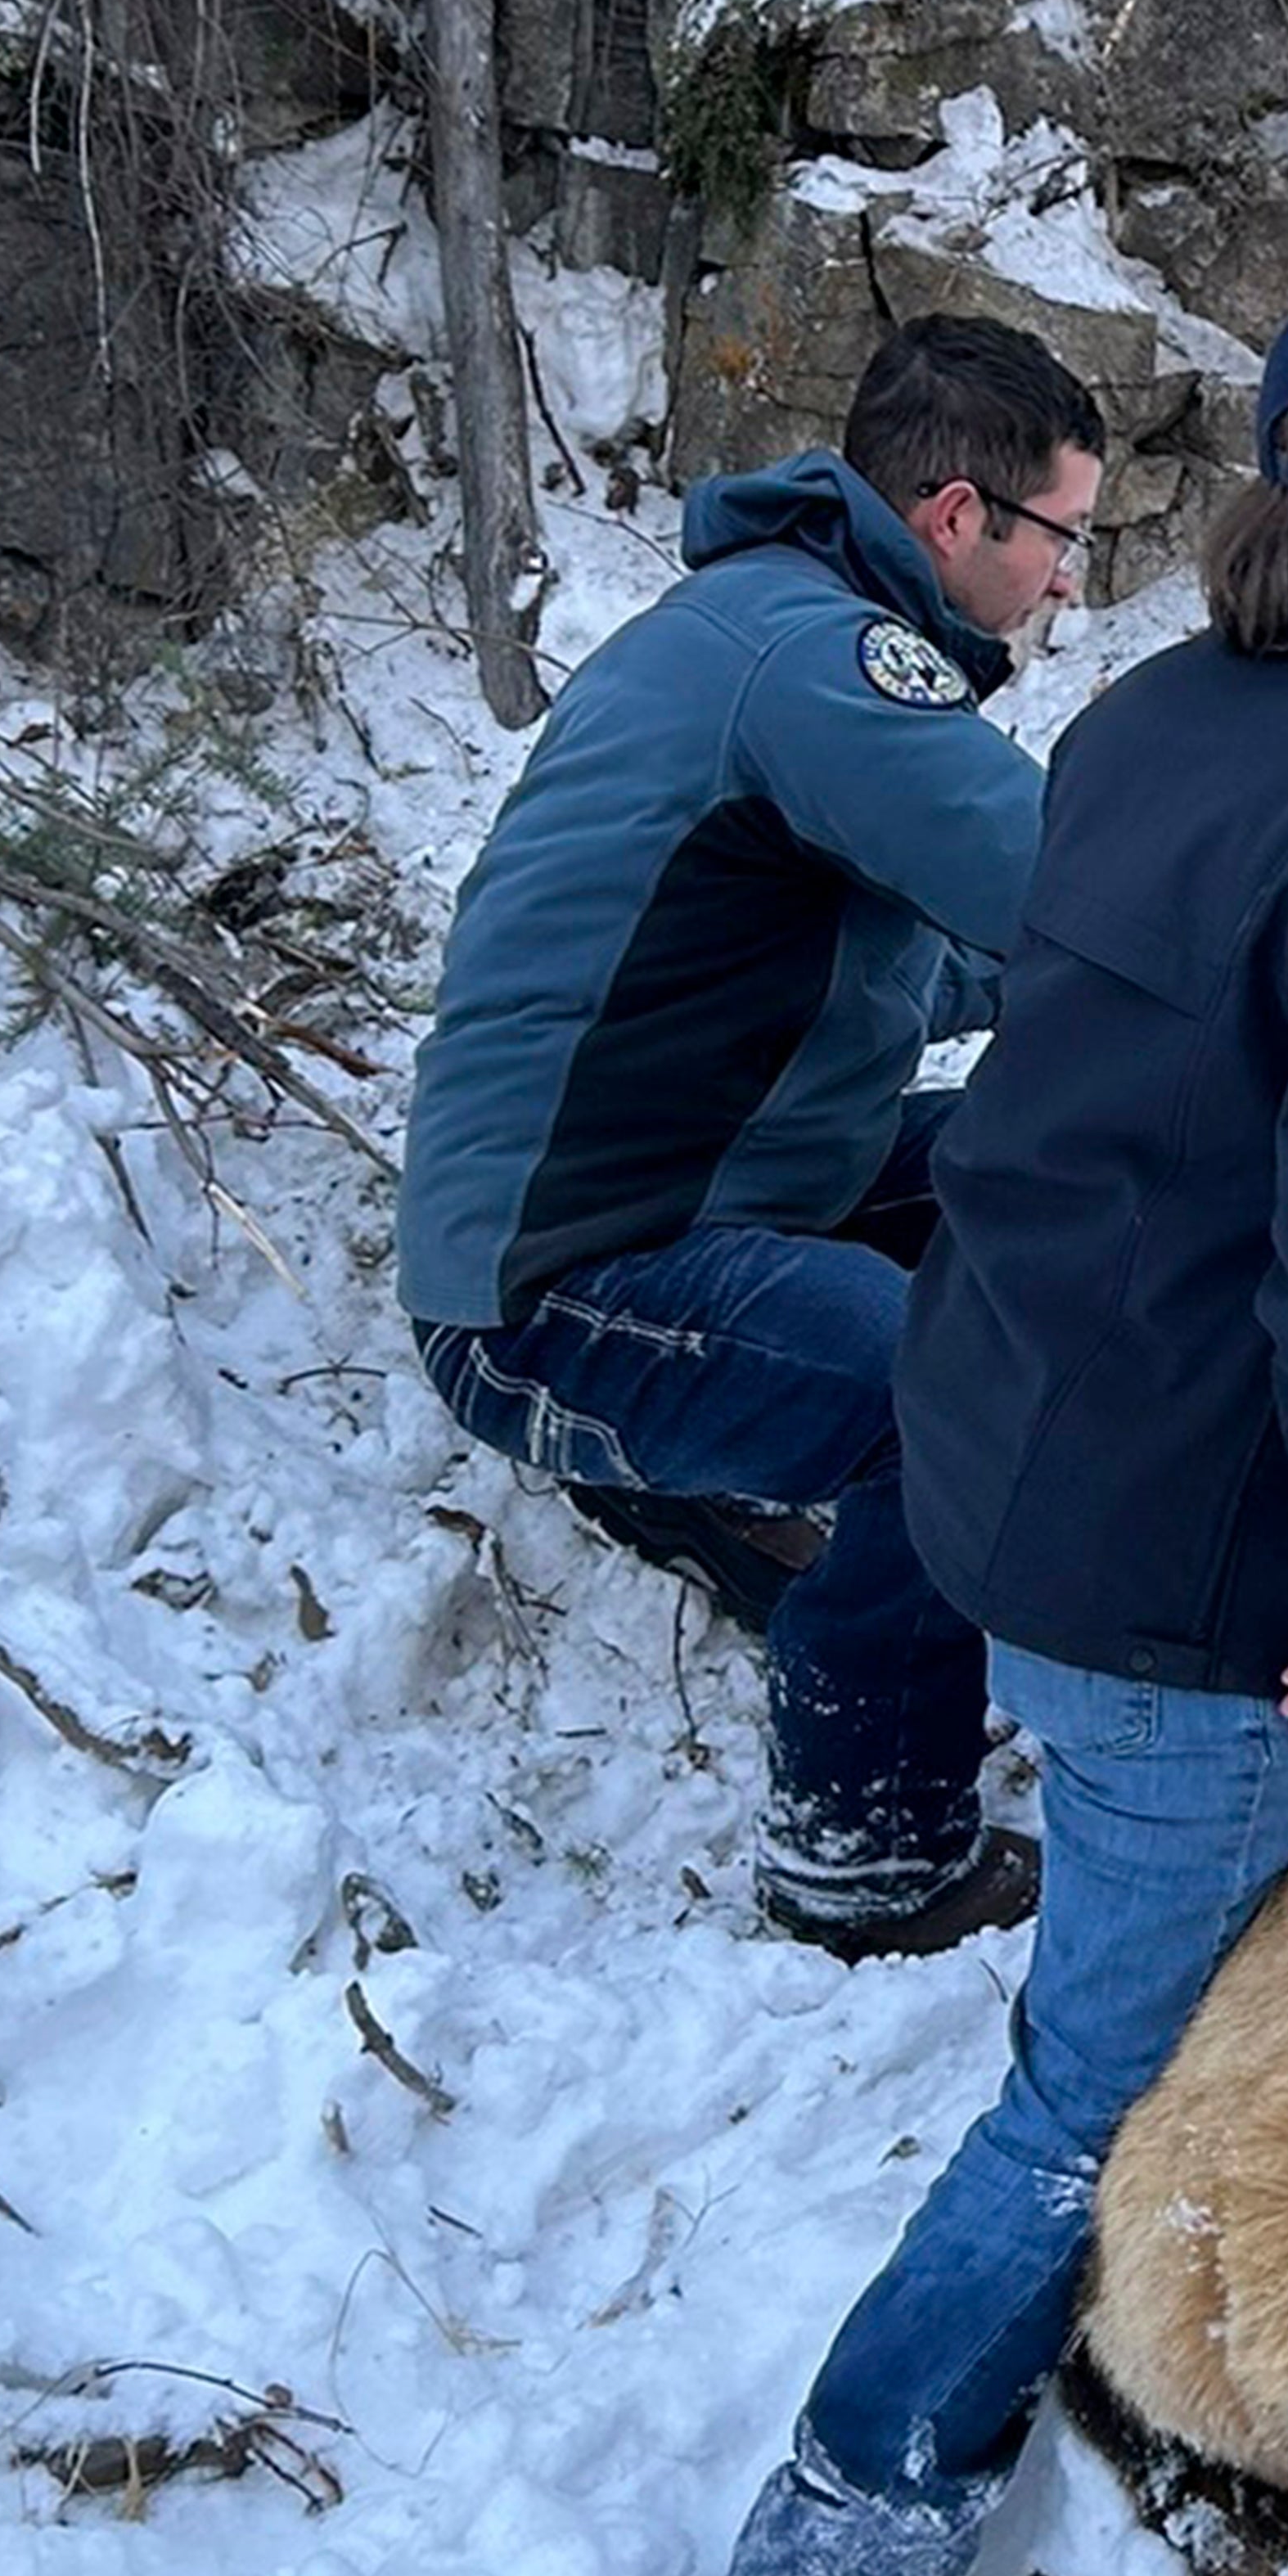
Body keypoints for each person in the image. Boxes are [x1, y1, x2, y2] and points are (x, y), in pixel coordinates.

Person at [703, 265, 1288, 2576]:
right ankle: (846, 2534)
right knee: (1091, 2092)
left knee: (1139, 1989)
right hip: (1196, 1584)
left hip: (1025, 1474)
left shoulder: (1157, 718)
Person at [396, 314, 1107, 1961]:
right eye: (1063, 536)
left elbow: (940, 965)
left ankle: (798, 1515)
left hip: (729, 1174)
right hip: (556, 1286)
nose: (1071, 581)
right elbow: (1074, 894)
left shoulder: (778, 635)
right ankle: (867, 1856)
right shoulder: (823, 668)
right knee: (939, 1386)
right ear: (954, 518)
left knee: (1053, 1157)